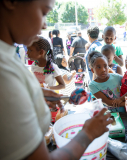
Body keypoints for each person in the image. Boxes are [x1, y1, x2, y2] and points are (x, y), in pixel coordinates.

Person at [0, 0, 113, 160]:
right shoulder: (4, 75)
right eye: (44, 12)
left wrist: (34, 93)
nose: (45, 25)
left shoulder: (8, 57)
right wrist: (88, 134)